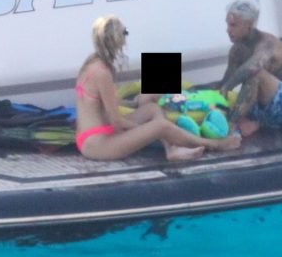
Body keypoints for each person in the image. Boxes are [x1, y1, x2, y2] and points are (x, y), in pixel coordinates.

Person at [75, 15, 241, 161]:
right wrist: (150, 131)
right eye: (125, 33)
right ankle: (215, 144)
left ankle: (172, 150)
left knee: (152, 109)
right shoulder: (103, 74)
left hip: (91, 134)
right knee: (160, 126)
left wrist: (135, 104)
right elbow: (116, 123)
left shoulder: (91, 63)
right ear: (117, 40)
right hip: (97, 144)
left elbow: (105, 103)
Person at [219, 0, 282, 137]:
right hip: (263, 108)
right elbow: (225, 82)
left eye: (233, 25)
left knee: (256, 74)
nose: (228, 30)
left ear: (249, 24)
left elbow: (252, 67)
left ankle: (231, 125)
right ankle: (257, 123)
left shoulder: (267, 43)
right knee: (227, 100)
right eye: (227, 24)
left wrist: (226, 87)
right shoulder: (236, 50)